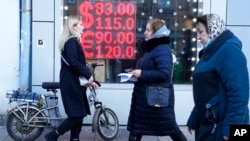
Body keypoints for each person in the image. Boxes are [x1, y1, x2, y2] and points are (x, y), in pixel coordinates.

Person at [187, 14, 249, 141]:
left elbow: (240, 93)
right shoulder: (210, 54)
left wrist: (231, 129)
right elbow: (205, 93)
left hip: (223, 126)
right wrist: (194, 117)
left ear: (212, 30)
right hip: (210, 123)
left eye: (201, 32)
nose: (198, 37)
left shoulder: (229, 51)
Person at [127, 18, 187, 141]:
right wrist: (135, 74)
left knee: (172, 130)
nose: (144, 32)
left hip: (155, 100)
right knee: (136, 130)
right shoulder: (152, 48)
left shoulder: (162, 49)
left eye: (148, 30)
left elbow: (164, 73)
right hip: (145, 99)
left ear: (156, 33)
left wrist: (142, 74)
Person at [45, 15, 98, 141]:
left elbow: (75, 63)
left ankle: (74, 138)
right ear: (73, 27)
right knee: (77, 115)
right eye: (80, 24)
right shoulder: (71, 41)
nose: (83, 27)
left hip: (73, 82)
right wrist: (88, 74)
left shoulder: (72, 41)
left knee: (78, 114)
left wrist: (89, 79)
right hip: (71, 83)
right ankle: (53, 135)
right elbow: (73, 62)